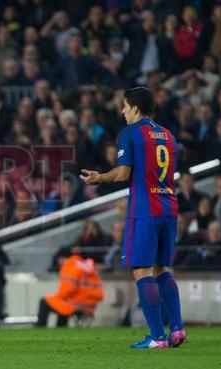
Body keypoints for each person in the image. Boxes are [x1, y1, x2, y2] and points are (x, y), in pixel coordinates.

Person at [80, 87, 186, 349]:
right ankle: (177, 330)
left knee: (142, 270)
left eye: (125, 106)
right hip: (169, 207)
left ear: (135, 108)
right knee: (163, 269)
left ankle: (157, 338)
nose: (122, 111)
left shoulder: (130, 133)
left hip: (145, 209)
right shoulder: (168, 135)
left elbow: (123, 174)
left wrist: (99, 177)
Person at [37, 247, 104, 327]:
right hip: (90, 306)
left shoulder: (69, 266)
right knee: (61, 304)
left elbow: (66, 291)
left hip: (76, 305)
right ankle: (61, 328)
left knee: (45, 301)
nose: (58, 262)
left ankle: (40, 327)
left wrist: (59, 297)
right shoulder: (85, 266)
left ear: (63, 258)